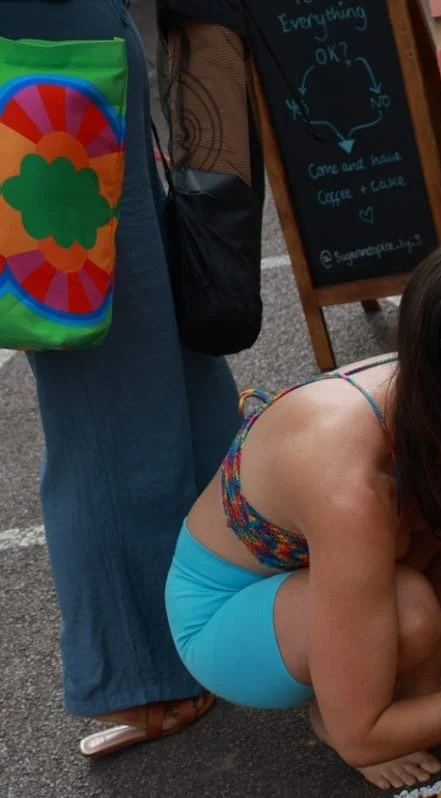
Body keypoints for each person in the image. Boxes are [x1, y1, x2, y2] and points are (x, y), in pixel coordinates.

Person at [166, 235, 441, 789]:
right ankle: (341, 709)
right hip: (224, 616)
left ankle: (419, 690)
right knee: (409, 611)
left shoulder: (430, 400)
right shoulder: (350, 484)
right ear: (436, 374)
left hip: (314, 577)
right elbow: (365, 735)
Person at [8, 0, 243, 757]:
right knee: (161, 348)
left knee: (106, 392)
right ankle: (240, 585)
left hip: (41, 61)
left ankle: (158, 669)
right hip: (73, 50)